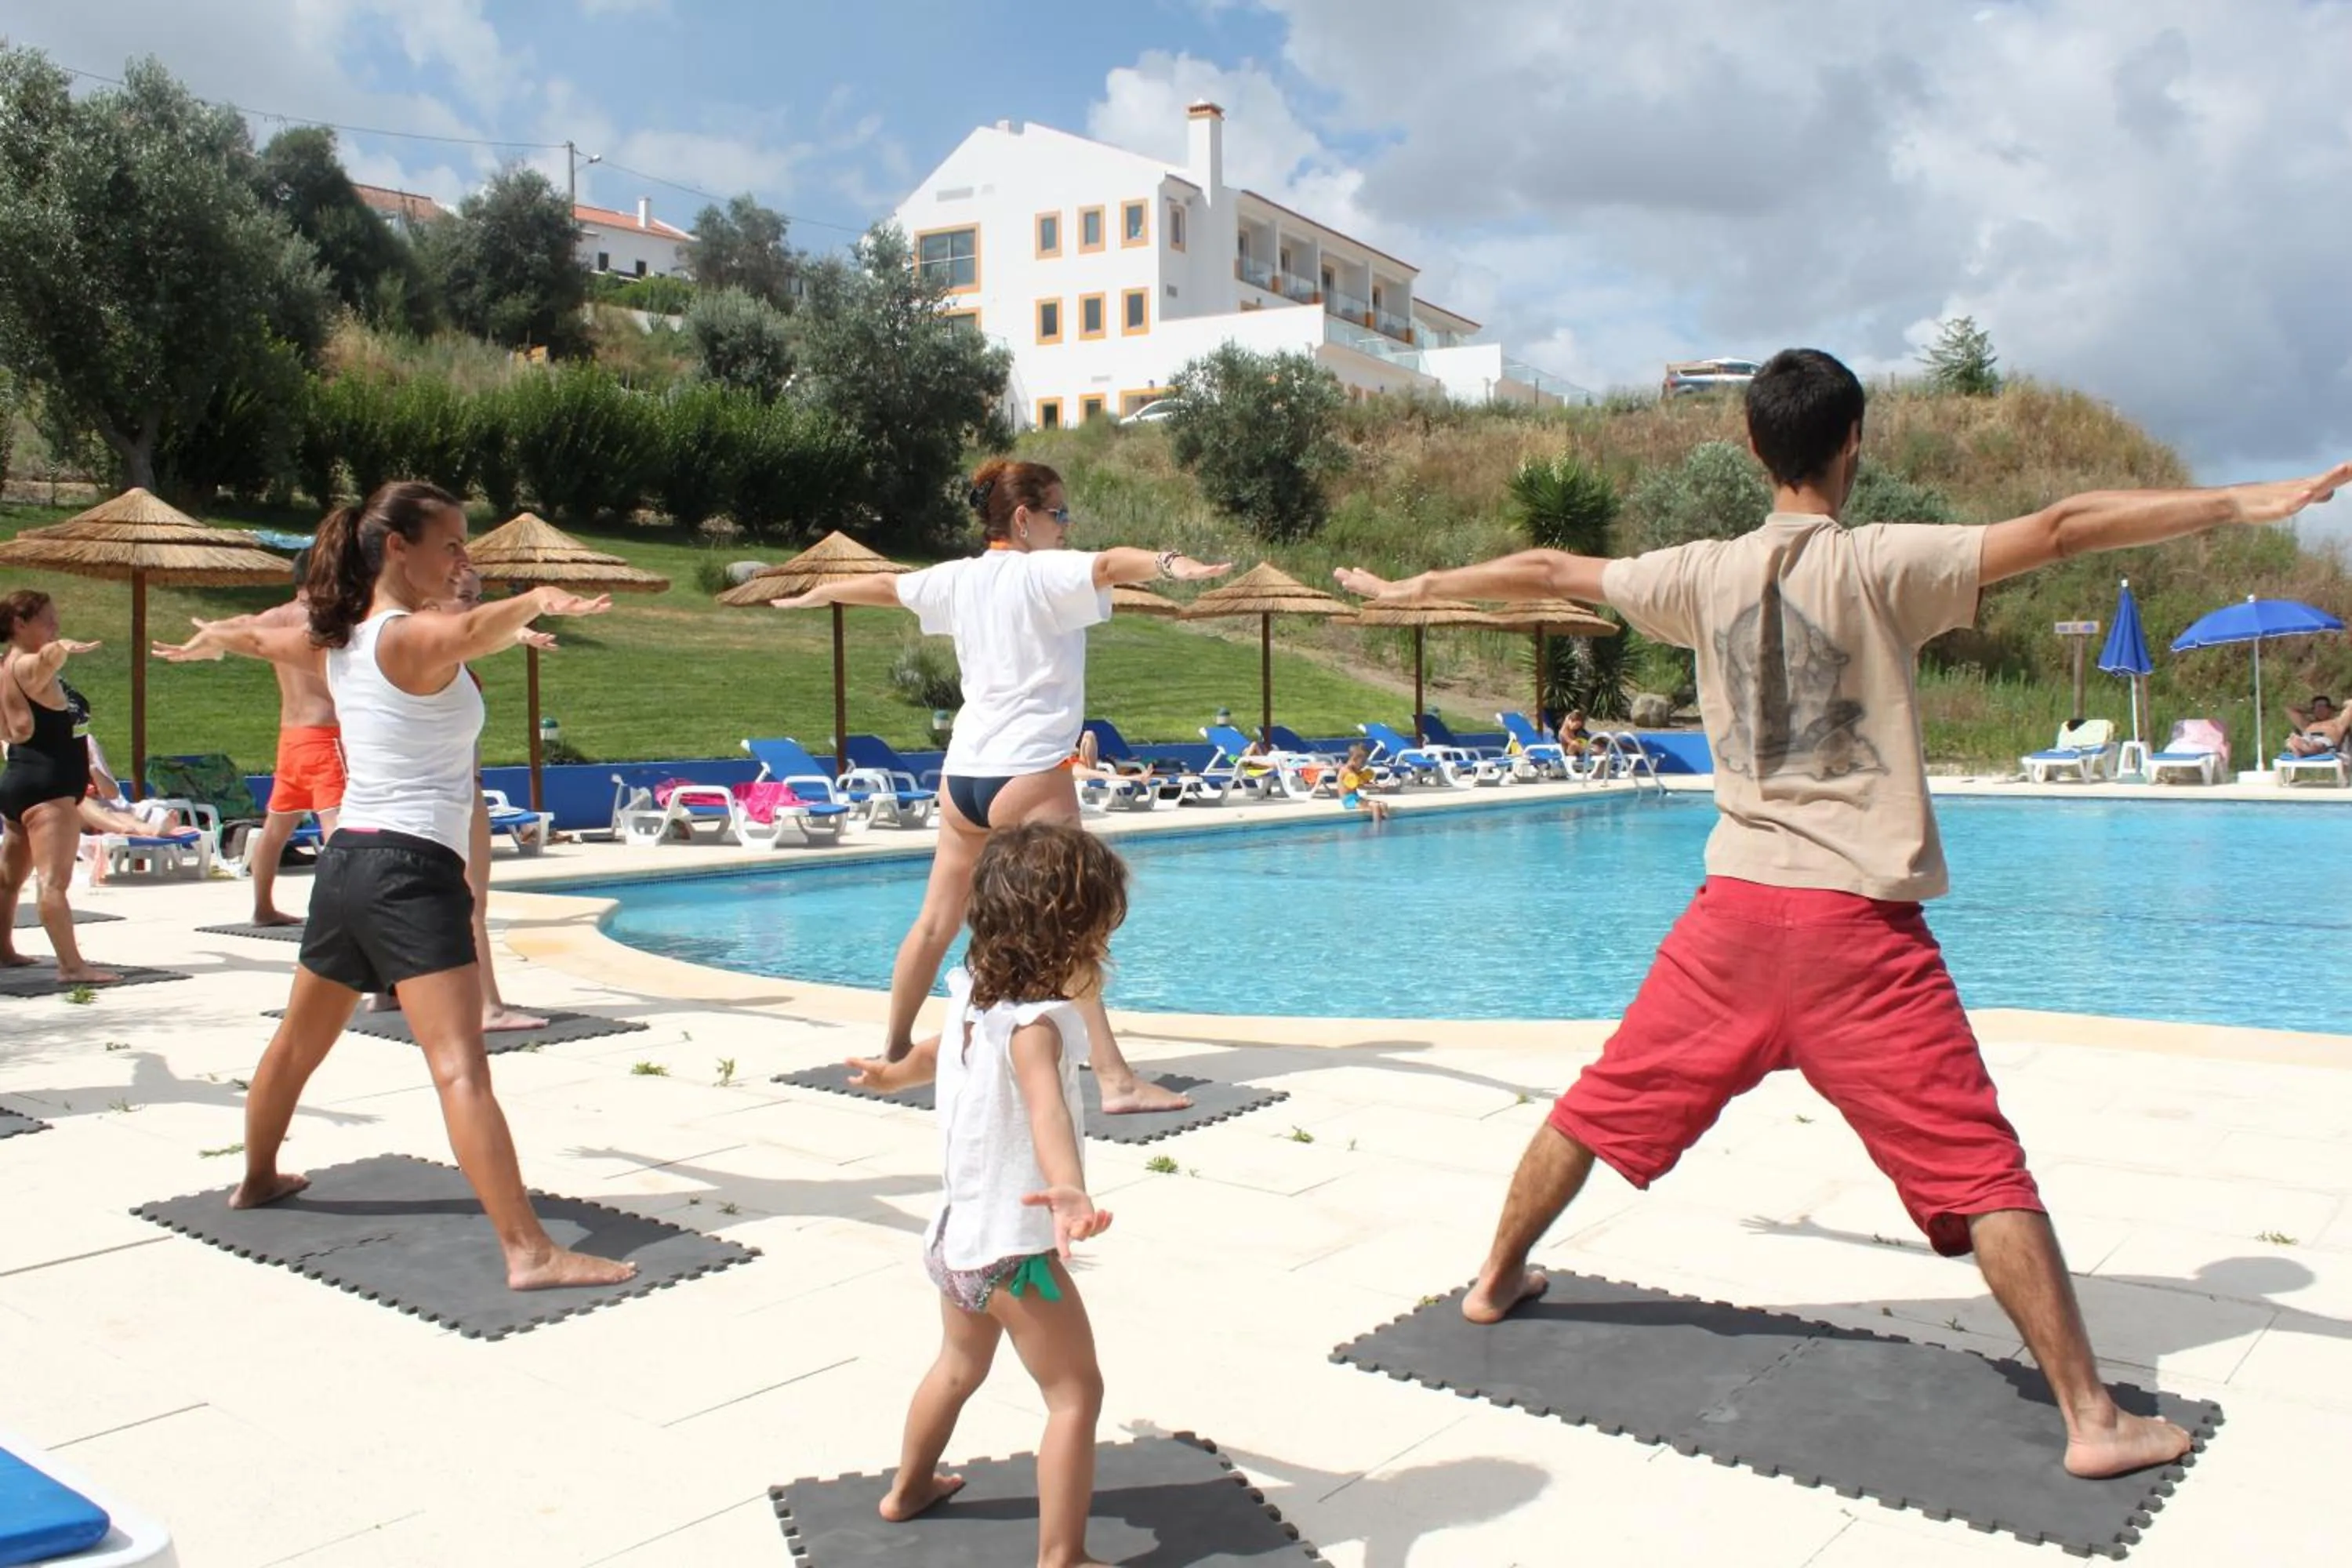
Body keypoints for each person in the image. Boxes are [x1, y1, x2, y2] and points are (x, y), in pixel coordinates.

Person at [1337, 347, 2351, 1481]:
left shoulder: (1696, 574)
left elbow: (1545, 566)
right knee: (1979, 1168)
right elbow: (2065, 525)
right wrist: (2244, 502)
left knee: (1597, 1107)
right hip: (1858, 939)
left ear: (1754, 449)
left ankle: (1491, 1281)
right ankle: (2091, 1419)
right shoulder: (1883, 563)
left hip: (1729, 922)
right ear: (1852, 442)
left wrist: (1409, 592)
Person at [151, 481, 633, 1292]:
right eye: (449, 543)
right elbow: (475, 626)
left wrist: (219, 637)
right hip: (411, 871)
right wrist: (537, 596)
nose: (462, 558)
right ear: (398, 548)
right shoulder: (411, 635)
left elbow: (263, 639)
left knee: (298, 1043)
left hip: (346, 867)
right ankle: (528, 1250)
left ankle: (258, 1174)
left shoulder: (339, 637)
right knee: (459, 1065)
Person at [768, 456, 1229, 1114]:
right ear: (1023, 517)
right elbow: (1106, 567)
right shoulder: (1041, 569)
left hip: (965, 777)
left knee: (935, 922)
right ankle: (1116, 1080)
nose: (1067, 527)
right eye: (1059, 513)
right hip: (1029, 772)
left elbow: (886, 586)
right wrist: (1169, 563)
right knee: (1075, 929)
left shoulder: (956, 578)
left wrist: (821, 595)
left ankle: (894, 1055)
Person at [844, 822, 1123, 1568]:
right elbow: (1046, 1111)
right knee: (1075, 1395)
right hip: (1014, 1253)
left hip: (955, 1239)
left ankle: (907, 1489)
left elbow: (943, 1053)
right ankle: (1062, 1555)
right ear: (1075, 936)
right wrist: (1067, 1187)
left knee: (959, 1368)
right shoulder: (1041, 1025)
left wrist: (895, 1071)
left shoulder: (972, 992)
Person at [368, 567, 551, 1031]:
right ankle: (487, 1006)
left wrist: (517, 632)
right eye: (466, 598)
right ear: (430, 605)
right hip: (454, 795)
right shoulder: (435, 653)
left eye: (478, 598)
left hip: (409, 795)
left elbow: (481, 634)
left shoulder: (405, 651)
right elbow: (477, 634)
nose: (475, 608)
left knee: (402, 895)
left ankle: (386, 989)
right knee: (472, 902)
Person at [0, 590, 117, 982]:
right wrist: (61, 647)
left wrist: (58, 647)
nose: (56, 626)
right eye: (48, 620)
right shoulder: (31, 665)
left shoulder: (5, 667)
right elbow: (49, 658)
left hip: (19, 781)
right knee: (54, 883)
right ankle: (72, 966)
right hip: (48, 789)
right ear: (20, 624)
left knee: (8, 880)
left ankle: (3, 951)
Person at [242, 550, 347, 927]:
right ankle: (341, 912)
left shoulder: (272, 618)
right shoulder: (326, 619)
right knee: (338, 826)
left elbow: (237, 634)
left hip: (291, 737)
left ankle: (262, 907)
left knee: (275, 830)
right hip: (325, 734)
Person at [1337, 742, 1391, 822]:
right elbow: (1360, 786)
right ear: (1354, 759)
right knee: (1375, 806)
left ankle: (1386, 825)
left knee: (1383, 805)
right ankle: (1377, 830)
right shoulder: (1346, 771)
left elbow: (1365, 783)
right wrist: (1378, 787)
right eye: (1362, 763)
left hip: (1357, 798)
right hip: (1348, 801)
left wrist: (1373, 782)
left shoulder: (1355, 770)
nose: (1363, 765)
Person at [2284, 694, 2348, 757]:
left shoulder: (2338, 722)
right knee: (2302, 740)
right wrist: (2309, 710)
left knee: (2317, 744)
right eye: (2317, 707)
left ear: (2330, 709)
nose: (2320, 710)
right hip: (2307, 740)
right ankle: (2299, 747)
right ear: (2313, 710)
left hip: (2326, 745)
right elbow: (2290, 709)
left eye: (2323, 706)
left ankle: (2300, 749)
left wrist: (2339, 708)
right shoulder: (2307, 724)